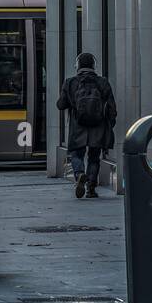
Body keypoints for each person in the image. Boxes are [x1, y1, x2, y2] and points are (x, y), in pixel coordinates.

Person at [56, 52, 117, 199]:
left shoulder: (70, 82)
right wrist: (110, 125)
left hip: (78, 126)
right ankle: (91, 188)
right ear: (93, 66)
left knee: (76, 154)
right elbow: (111, 108)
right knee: (94, 157)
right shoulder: (103, 82)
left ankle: (79, 174)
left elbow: (61, 105)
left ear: (78, 66)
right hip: (98, 126)